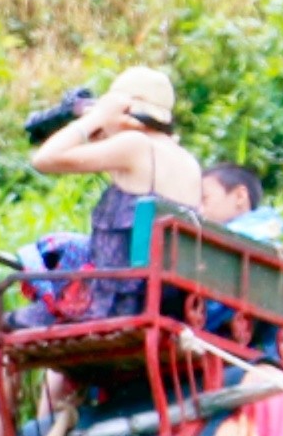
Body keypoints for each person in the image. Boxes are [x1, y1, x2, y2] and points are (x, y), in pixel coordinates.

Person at [19, 64, 202, 326]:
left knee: (19, 306)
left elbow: (44, 160)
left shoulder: (135, 145)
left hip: (120, 298)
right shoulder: (185, 160)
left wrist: (93, 119)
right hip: (165, 296)